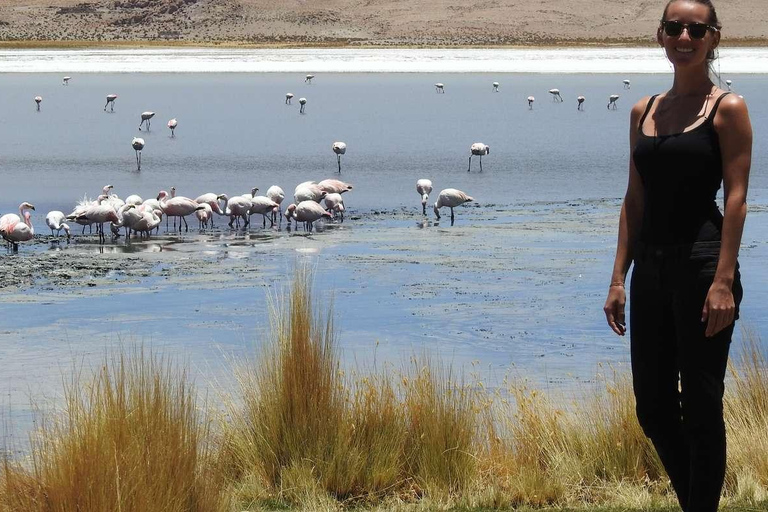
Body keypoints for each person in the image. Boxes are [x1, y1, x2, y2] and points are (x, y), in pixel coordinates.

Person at [603, 1, 752, 511]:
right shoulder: (642, 110)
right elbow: (634, 198)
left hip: (704, 264)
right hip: (651, 269)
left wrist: (723, 282)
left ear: (713, 37)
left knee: (703, 406)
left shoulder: (727, 108)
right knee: (654, 407)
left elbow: (736, 198)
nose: (683, 37)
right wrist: (618, 277)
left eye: (695, 29)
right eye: (674, 28)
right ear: (660, 36)